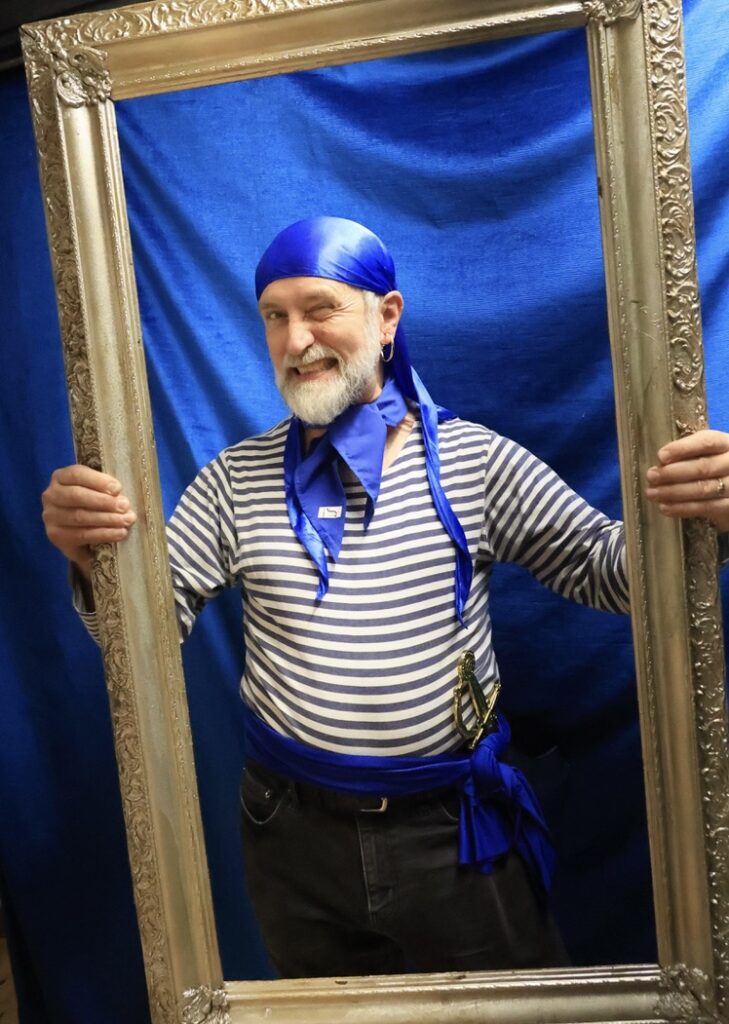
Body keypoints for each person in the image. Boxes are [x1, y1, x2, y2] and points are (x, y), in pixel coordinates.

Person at [41, 217, 729, 978]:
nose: (296, 339)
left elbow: (609, 572)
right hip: (289, 834)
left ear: (387, 316)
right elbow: (146, 631)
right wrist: (91, 560)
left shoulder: (474, 462)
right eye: (274, 316)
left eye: (320, 309)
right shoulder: (233, 480)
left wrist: (709, 515)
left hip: (450, 833)